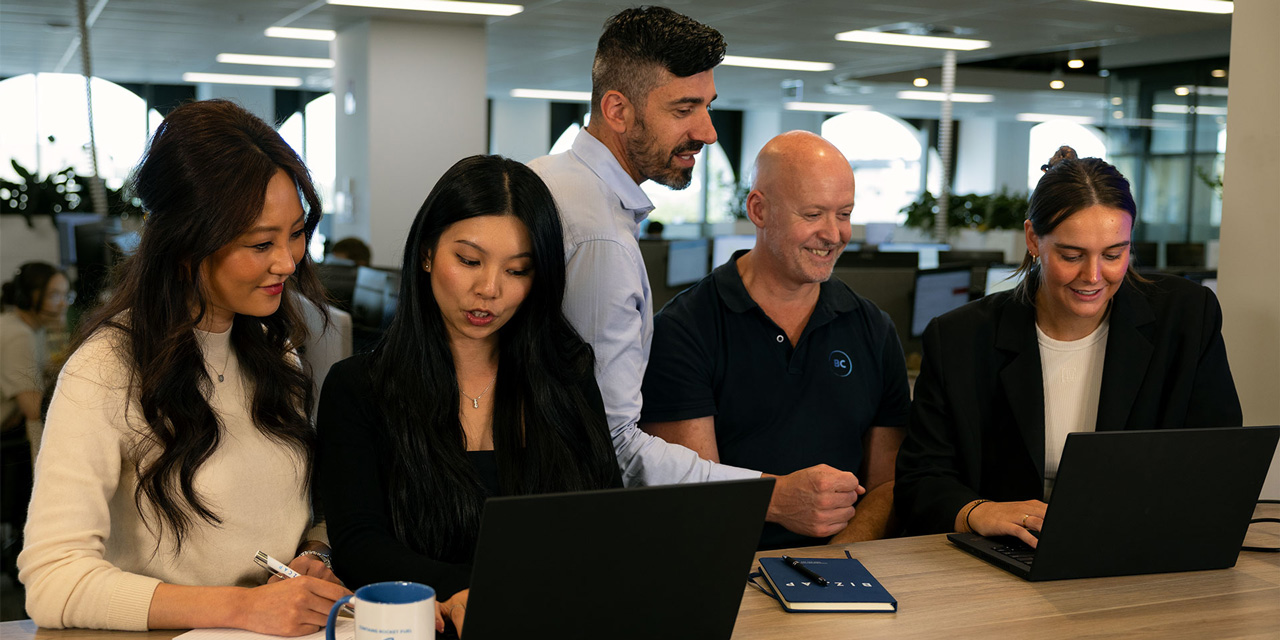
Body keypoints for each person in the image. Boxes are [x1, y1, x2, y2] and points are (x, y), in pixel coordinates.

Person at [528, 6, 865, 541]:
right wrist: (771, 496)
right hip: (557, 518)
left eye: (708, 106)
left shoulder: (544, 180)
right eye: (684, 109)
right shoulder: (598, 237)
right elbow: (607, 443)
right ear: (617, 109)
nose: (708, 132)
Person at [17, 99, 348, 634]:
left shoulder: (270, 346)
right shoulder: (106, 367)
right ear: (186, 244)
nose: (288, 261)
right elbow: (53, 578)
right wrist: (241, 607)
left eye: (296, 232)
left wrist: (315, 553)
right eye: (261, 242)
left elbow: (289, 515)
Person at [316, 155, 621, 637]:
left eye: (518, 270)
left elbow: (606, 519)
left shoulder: (565, 374)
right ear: (427, 254)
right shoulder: (359, 388)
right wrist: (468, 591)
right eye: (469, 261)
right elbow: (359, 544)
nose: (490, 290)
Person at [895, 146, 1243, 548]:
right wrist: (978, 511)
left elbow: (1219, 460)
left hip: (1142, 548)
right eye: (1072, 255)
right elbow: (920, 481)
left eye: (1115, 254)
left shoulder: (1185, 317)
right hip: (1007, 558)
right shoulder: (960, 337)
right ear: (1033, 239)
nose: (1093, 276)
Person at [640, 132, 910, 549]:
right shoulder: (685, 328)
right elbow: (689, 490)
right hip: (727, 568)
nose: (834, 234)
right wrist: (777, 502)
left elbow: (887, 486)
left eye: (844, 213)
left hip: (847, 565)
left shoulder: (874, 328)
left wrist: (837, 561)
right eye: (813, 214)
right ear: (759, 209)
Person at [1, 261, 71, 458]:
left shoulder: (29, 327)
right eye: (54, 295)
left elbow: (45, 366)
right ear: (26, 298)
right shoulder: (18, 335)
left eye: (66, 295)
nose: (63, 303)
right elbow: (33, 409)